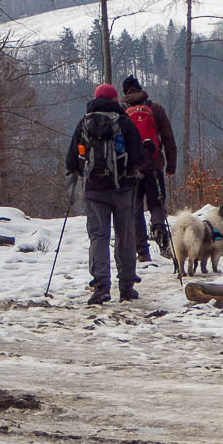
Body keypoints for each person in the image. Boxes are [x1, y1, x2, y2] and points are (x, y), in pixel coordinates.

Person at [65, 83, 145, 304]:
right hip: (123, 189)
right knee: (125, 237)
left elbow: (71, 160)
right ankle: (126, 287)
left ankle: (101, 286)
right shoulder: (124, 122)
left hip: (94, 190)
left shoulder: (85, 123)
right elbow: (139, 157)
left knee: (98, 238)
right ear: (116, 99)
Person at [120, 74, 177, 254]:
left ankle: (142, 251)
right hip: (154, 166)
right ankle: (160, 233)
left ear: (125, 92)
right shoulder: (155, 108)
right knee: (157, 204)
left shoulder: (122, 111)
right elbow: (168, 138)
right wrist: (171, 166)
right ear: (140, 88)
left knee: (135, 208)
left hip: (132, 169)